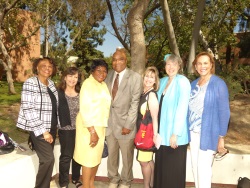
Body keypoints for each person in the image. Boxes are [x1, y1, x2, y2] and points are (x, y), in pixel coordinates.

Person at [188, 52, 230, 188]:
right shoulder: (193, 84)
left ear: (211, 65)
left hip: (208, 134)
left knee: (204, 171)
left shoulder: (219, 84)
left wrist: (221, 137)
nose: (202, 66)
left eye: (205, 63)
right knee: (195, 168)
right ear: (195, 66)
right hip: (193, 134)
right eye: (199, 63)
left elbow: (224, 112)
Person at [16, 57, 58, 188]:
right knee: (48, 159)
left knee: (46, 160)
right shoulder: (30, 83)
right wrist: (43, 131)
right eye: (43, 65)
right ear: (37, 68)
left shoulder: (51, 84)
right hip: (39, 128)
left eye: (50, 66)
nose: (47, 68)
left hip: (51, 127)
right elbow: (28, 108)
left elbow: (55, 105)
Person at [105, 48, 142, 188]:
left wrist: (128, 124)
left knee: (127, 158)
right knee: (112, 156)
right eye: (114, 59)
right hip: (110, 125)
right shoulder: (108, 76)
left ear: (126, 61)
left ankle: (126, 182)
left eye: (120, 59)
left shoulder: (135, 77)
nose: (117, 62)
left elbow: (135, 103)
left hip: (126, 126)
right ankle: (113, 179)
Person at [153, 54, 191, 188]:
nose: (171, 67)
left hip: (174, 136)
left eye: (174, 64)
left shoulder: (182, 81)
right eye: (168, 64)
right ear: (164, 67)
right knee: (162, 171)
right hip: (161, 135)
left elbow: (182, 108)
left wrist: (175, 133)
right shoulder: (162, 81)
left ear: (179, 66)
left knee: (173, 173)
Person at [74, 59, 111, 188]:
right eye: (99, 70)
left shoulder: (103, 85)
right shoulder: (88, 84)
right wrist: (92, 132)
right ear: (92, 71)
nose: (102, 73)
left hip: (100, 127)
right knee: (88, 159)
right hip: (88, 127)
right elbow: (85, 109)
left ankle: (91, 184)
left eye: (105, 71)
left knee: (96, 158)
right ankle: (85, 186)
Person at [57, 67, 83, 188]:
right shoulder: (58, 92)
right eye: (70, 76)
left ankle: (76, 178)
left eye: (75, 77)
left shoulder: (81, 92)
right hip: (66, 129)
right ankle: (63, 182)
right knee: (66, 156)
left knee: (78, 155)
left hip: (80, 129)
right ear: (65, 77)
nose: (72, 79)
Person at [136, 66, 159, 188]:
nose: (148, 79)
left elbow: (155, 117)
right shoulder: (143, 93)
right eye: (147, 76)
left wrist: (154, 136)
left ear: (155, 81)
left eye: (152, 77)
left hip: (147, 134)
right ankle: (152, 185)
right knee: (149, 160)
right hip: (142, 133)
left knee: (143, 161)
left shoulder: (151, 96)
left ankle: (146, 186)